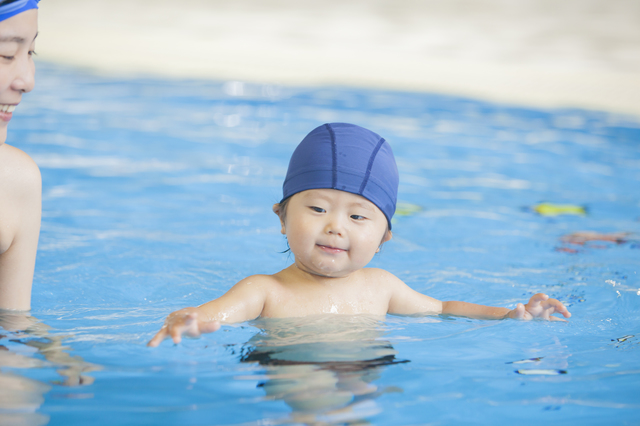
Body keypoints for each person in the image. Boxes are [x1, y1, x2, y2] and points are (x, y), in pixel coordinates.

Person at [148, 123, 571, 347]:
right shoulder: (265, 291)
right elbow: (210, 313)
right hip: (293, 374)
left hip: (369, 372)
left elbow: (443, 308)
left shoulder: (381, 287)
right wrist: (186, 321)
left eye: (358, 217)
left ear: (385, 237)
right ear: (280, 217)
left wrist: (510, 314)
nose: (335, 226)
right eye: (316, 209)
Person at [0, 0, 40, 311]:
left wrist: (64, 360)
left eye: (30, 53)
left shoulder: (14, 180)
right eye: (7, 55)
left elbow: (15, 329)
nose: (27, 81)